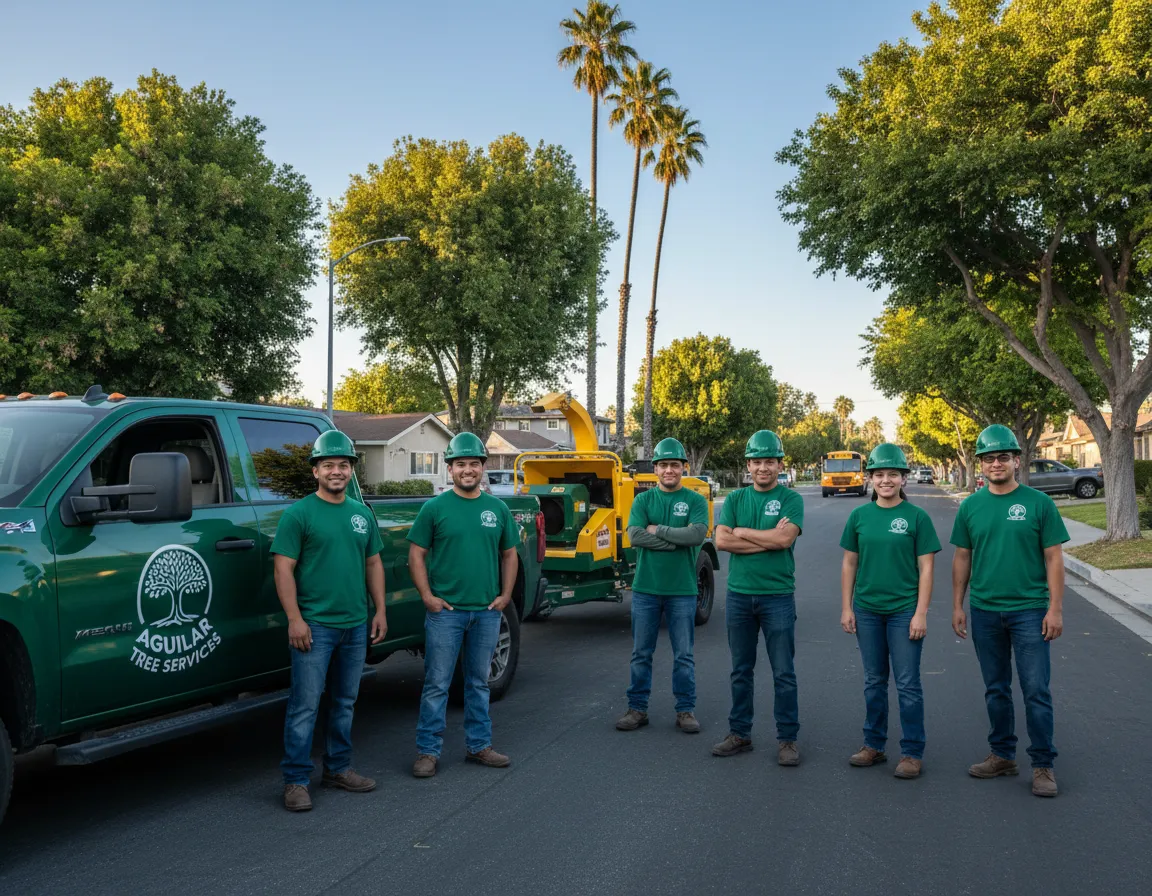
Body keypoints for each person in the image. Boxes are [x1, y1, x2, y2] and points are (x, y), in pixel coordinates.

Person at [271, 430, 388, 812]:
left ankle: (338, 769)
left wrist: (380, 610)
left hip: (355, 625)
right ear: (315, 472)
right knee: (304, 706)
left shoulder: (360, 515)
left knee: (345, 702)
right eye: (328, 465)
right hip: (315, 627)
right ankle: (295, 780)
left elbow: (373, 564)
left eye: (343, 465)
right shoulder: (298, 515)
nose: (336, 471)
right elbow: (283, 569)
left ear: (351, 470)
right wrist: (295, 620)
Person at [951, 424, 1068, 798]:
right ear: (981, 465)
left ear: (1017, 460)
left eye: (1003, 456)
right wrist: (958, 605)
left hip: (1030, 611)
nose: (996, 463)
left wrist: (1056, 609)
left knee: (1036, 690)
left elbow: (1053, 557)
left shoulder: (1039, 503)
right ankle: (1002, 754)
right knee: (996, 689)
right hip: (985, 611)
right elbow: (962, 557)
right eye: (989, 458)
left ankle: (1043, 765)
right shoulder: (970, 506)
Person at [408, 432, 520, 778]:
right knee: (438, 683)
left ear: (483, 468)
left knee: (478, 682)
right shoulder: (434, 508)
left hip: (487, 613)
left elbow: (509, 554)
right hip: (447, 614)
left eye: (474, 463)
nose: (468, 470)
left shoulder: (497, 508)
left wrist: (505, 596)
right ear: (449, 468)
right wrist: (428, 597)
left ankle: (479, 746)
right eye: (461, 464)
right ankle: (428, 751)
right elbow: (416, 554)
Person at [840, 443, 940, 779]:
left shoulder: (916, 517)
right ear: (869, 479)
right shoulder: (859, 516)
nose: (885, 480)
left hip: (903, 612)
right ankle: (874, 745)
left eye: (892, 474)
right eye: (879, 474)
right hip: (867, 610)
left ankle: (912, 751)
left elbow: (926, 568)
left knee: (908, 683)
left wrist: (921, 612)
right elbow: (849, 563)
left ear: (903, 479)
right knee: (874, 681)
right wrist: (846, 607)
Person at [711, 431, 805, 766]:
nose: (763, 467)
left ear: (780, 464)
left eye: (770, 461)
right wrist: (767, 537)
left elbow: (784, 540)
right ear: (748, 465)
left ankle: (788, 740)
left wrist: (744, 532)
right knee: (740, 670)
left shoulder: (792, 499)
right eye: (757, 461)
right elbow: (721, 542)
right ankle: (740, 734)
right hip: (739, 597)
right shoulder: (735, 499)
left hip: (778, 596)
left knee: (784, 672)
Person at [616, 438, 710, 735]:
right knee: (641, 653)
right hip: (646, 589)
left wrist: (659, 530)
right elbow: (634, 536)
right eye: (663, 465)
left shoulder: (695, 500)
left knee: (684, 654)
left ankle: (685, 710)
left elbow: (696, 535)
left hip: (682, 590)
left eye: (674, 465)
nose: (669, 470)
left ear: (684, 467)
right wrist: (672, 542)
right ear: (655, 469)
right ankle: (637, 709)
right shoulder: (643, 500)